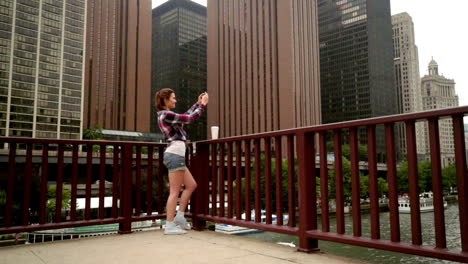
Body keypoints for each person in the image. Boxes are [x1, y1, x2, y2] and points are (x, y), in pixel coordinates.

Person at [155, 88, 209, 235]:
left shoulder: (168, 115)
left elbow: (185, 116)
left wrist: (197, 103)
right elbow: (190, 119)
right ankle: (169, 225)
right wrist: (203, 105)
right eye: (173, 98)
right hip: (175, 155)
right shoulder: (165, 114)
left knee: (191, 185)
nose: (175, 100)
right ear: (165, 100)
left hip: (176, 155)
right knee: (174, 192)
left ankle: (179, 216)